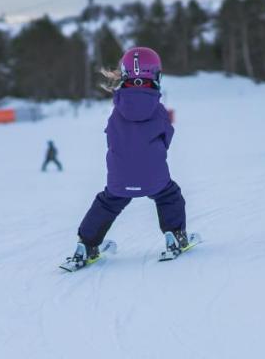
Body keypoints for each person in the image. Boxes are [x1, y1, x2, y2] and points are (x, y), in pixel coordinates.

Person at [65, 47, 191, 269]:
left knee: (107, 203)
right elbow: (166, 137)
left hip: (119, 178)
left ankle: (87, 244)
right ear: (156, 75)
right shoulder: (159, 110)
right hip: (154, 177)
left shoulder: (117, 110)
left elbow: (111, 138)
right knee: (169, 196)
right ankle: (175, 235)